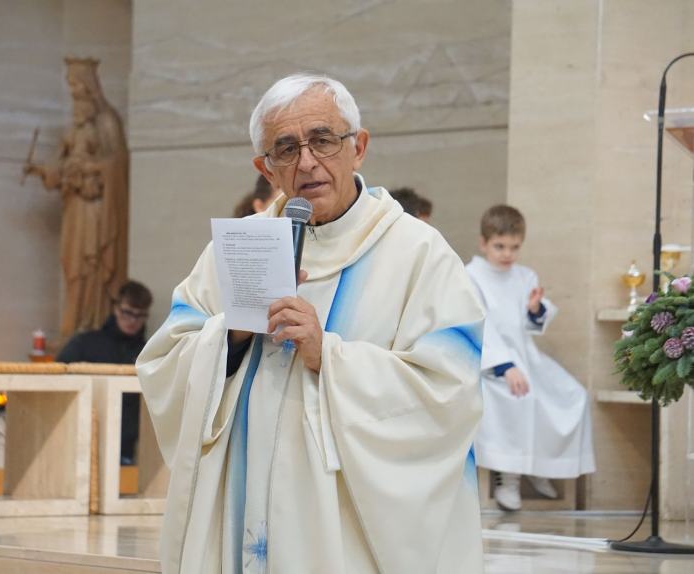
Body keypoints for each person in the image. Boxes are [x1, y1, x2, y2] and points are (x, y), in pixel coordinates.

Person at [137, 73, 486, 573]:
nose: (307, 162)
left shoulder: (417, 253)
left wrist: (330, 356)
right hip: (242, 502)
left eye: (323, 140)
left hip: (341, 529)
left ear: (358, 147)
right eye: (285, 149)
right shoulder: (237, 250)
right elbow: (164, 361)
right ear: (266, 168)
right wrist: (231, 335)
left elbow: (450, 390)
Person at [466, 205, 595, 511]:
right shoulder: (470, 275)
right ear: (483, 243)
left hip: (527, 356)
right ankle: (508, 478)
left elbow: (530, 323)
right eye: (499, 246)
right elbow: (476, 322)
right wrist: (505, 365)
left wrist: (536, 309)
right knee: (519, 395)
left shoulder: (525, 276)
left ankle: (542, 466)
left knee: (573, 396)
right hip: (489, 363)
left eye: (514, 247)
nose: (507, 254)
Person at [24, 58, 128, 337]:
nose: (72, 91)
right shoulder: (73, 129)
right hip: (75, 207)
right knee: (72, 266)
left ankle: (91, 322)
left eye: (75, 84)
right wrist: (42, 171)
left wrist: (89, 168)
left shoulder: (106, 121)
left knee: (91, 264)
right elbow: (57, 168)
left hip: (96, 209)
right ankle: (73, 327)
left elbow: (117, 164)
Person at [57, 280, 153, 465]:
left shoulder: (149, 352)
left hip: (126, 442)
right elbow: (58, 377)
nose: (132, 321)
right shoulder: (85, 343)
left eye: (140, 315)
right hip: (83, 433)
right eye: (127, 313)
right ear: (116, 309)